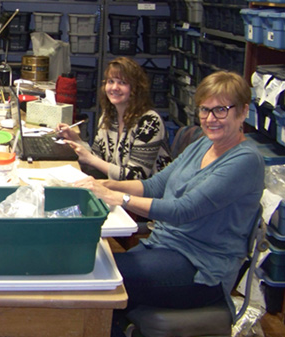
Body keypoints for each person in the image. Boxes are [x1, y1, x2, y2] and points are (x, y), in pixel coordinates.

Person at [73, 71, 265, 336]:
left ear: (243, 112)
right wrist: (109, 185)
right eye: (205, 110)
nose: (211, 119)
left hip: (201, 267)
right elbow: (156, 185)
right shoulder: (203, 145)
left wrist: (120, 198)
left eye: (221, 110)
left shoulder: (245, 161)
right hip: (163, 246)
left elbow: (183, 210)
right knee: (94, 268)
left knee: (98, 278)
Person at [57, 57, 171, 180]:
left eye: (122, 83)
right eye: (111, 81)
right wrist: (76, 139)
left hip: (145, 195)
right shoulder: (109, 117)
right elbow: (97, 158)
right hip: (118, 186)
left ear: (135, 88)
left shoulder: (149, 122)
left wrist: (90, 159)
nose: (114, 87)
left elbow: (136, 177)